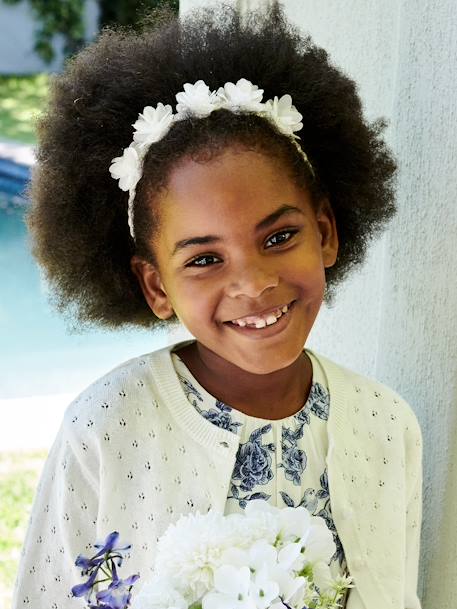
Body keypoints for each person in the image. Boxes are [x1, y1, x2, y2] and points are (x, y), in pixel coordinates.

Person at [11, 4, 423, 609]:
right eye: (204, 259)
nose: (253, 284)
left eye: (279, 237)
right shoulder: (105, 427)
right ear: (155, 286)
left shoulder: (387, 427)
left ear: (327, 231)